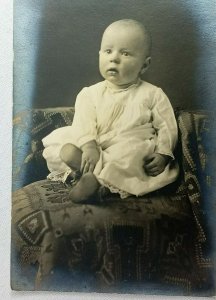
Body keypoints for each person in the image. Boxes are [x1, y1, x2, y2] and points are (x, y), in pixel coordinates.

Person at [42, 19, 179, 202]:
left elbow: (167, 126)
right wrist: (89, 145)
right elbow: (84, 122)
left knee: (130, 154)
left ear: (144, 65)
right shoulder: (89, 94)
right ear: (100, 54)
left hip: (128, 144)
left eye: (125, 53)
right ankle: (85, 174)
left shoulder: (153, 94)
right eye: (108, 51)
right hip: (94, 145)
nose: (114, 58)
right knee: (63, 146)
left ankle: (97, 184)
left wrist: (163, 153)